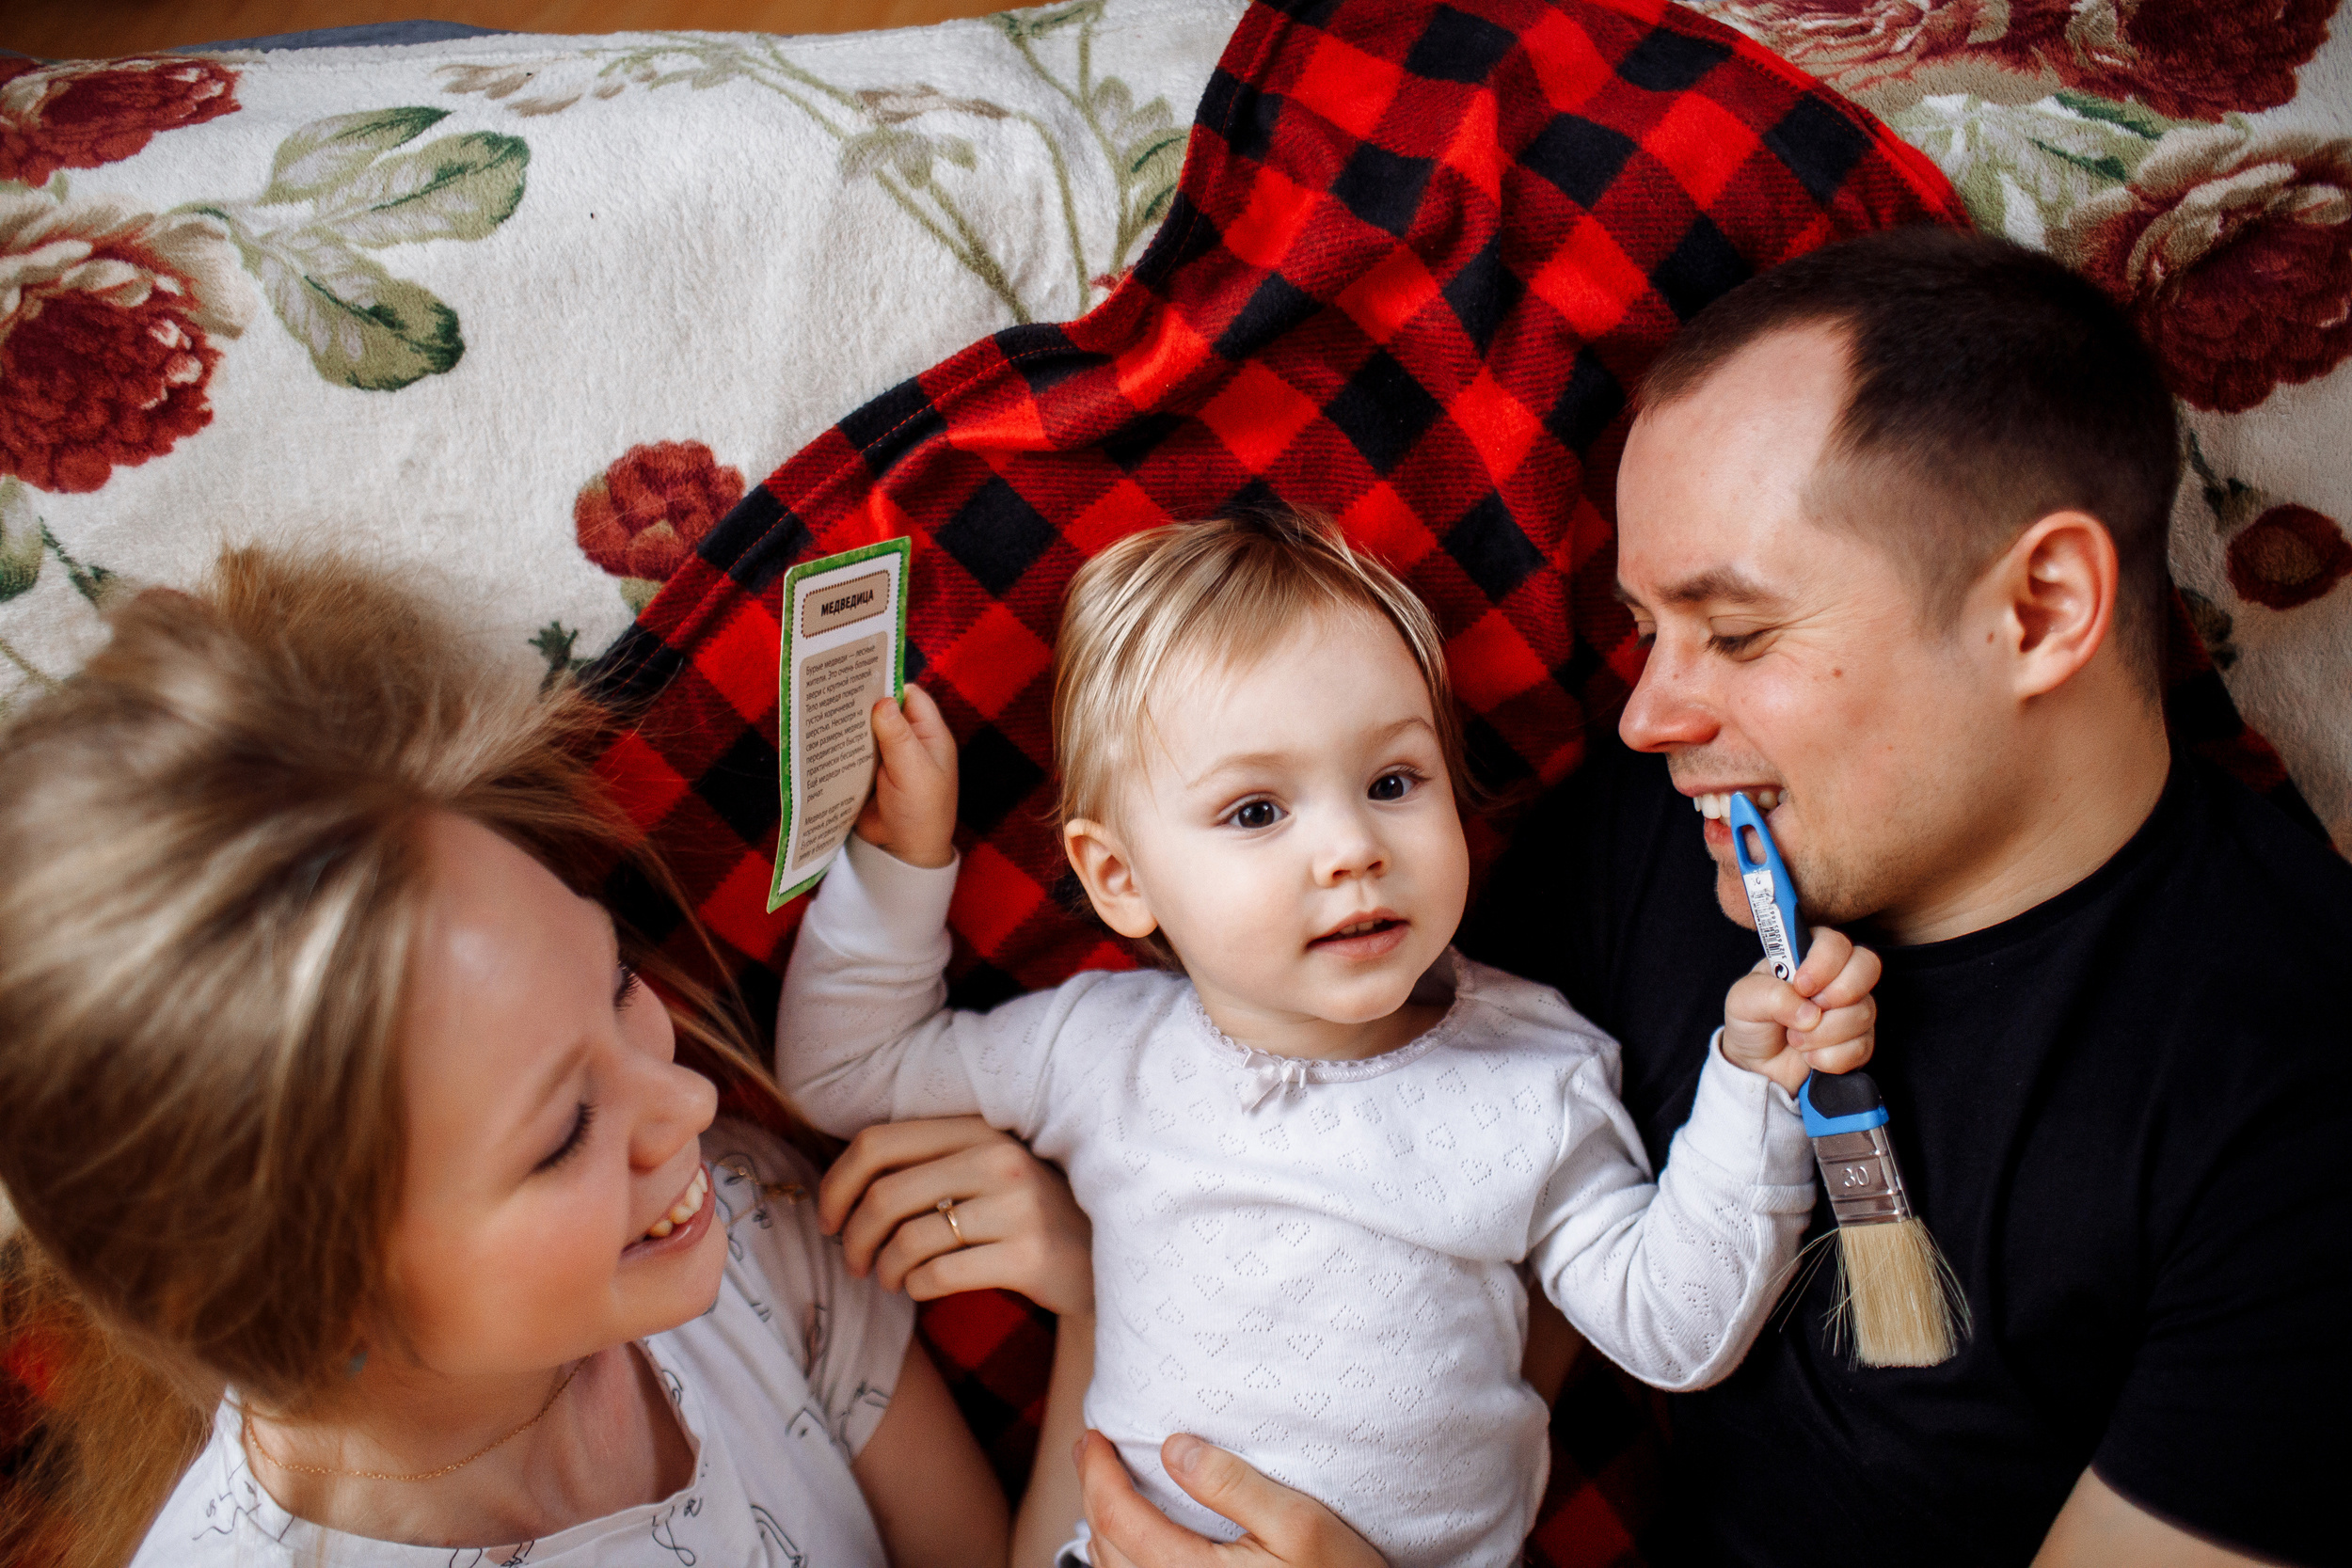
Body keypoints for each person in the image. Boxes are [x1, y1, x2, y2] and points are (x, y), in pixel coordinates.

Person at [1453, 227, 2352, 1566]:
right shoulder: (1661, 831)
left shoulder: (2301, 1105)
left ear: (2042, 608)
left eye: (1738, 632)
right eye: (1651, 629)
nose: (1648, 714)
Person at [771, 515, 1884, 1568]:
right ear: (1118, 877)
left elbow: (1673, 1329)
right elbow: (843, 1071)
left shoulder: (1533, 1077)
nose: (1352, 845)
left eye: (1393, 781)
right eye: (1257, 810)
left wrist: (1755, 1085)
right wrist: (900, 863)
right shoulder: (1096, 1049)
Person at [0, 551, 1096, 1568]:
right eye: (566, 1131)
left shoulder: (737, 1221)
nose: (691, 1099)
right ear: (318, 1295)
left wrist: (1100, 1300)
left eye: (617, 978)